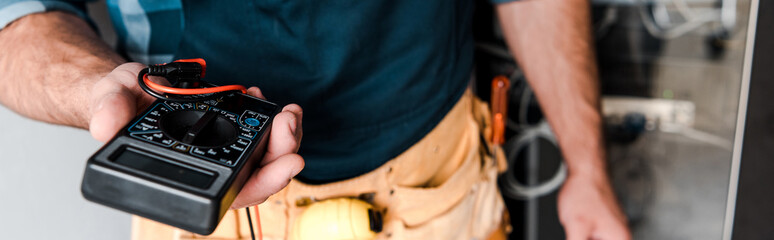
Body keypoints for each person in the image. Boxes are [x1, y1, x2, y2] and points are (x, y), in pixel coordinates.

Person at [0, 0, 630, 239]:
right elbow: (17, 20)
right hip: (202, 205)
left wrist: (588, 166)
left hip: (435, 184)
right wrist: (96, 89)